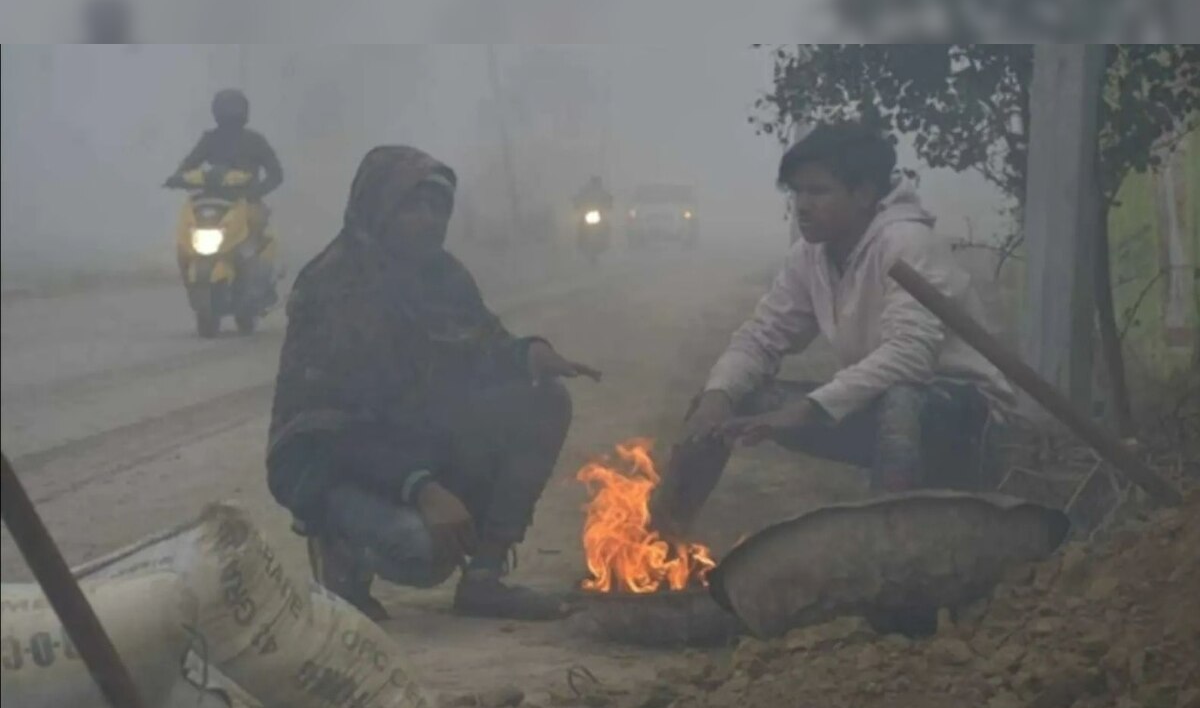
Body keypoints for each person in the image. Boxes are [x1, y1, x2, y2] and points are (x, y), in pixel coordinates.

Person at [267, 145, 601, 622]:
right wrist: (420, 487)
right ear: (379, 208)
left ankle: (485, 578)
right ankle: (338, 552)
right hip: (333, 465)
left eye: (437, 207)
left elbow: (482, 343)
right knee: (423, 553)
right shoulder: (334, 286)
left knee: (543, 400)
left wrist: (527, 352)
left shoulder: (442, 275)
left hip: (418, 440)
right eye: (412, 206)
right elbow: (327, 429)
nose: (428, 220)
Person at [650, 123, 1016, 536]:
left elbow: (911, 356)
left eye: (817, 191)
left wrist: (806, 410)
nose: (802, 205)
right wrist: (718, 396)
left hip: (965, 421)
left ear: (862, 194)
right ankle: (659, 544)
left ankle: (888, 551)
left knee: (902, 400)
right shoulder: (811, 254)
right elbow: (761, 335)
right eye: (796, 192)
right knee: (723, 402)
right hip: (877, 410)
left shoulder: (908, 243)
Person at [166, 89, 283, 240]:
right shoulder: (210, 140)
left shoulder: (255, 141)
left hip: (247, 204)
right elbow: (189, 164)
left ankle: (255, 260)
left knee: (256, 240)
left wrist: (255, 192)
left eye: (235, 108)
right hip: (213, 204)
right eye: (226, 108)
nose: (231, 113)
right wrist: (177, 178)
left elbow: (276, 174)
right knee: (187, 237)